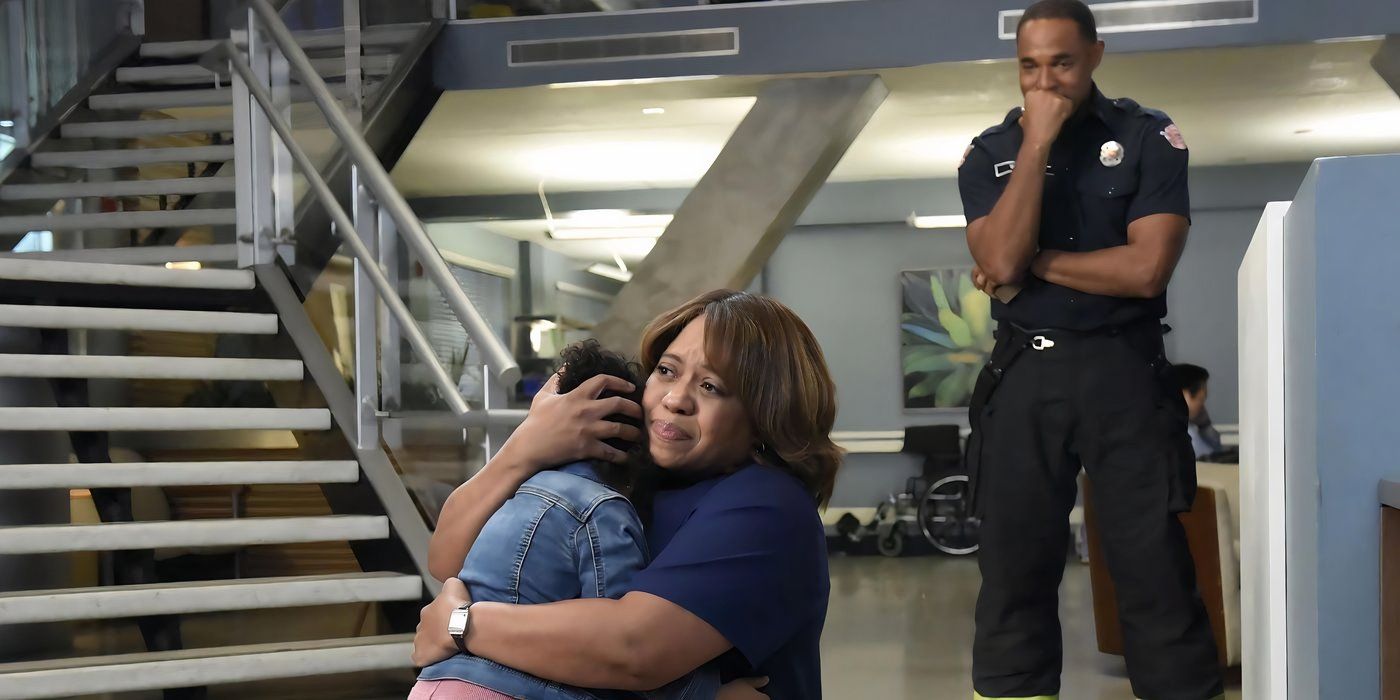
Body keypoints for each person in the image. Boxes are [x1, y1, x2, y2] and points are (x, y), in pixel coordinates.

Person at [955, 1, 1225, 698]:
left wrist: (1034, 264)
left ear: (1096, 56)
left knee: (1154, 572)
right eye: (1029, 66)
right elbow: (998, 259)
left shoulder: (1148, 137)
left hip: (1124, 372)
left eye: (1062, 63)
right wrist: (1036, 144)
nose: (1045, 82)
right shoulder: (989, 154)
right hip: (1024, 375)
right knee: (1012, 574)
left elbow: (1146, 270)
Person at [412, 290, 843, 700]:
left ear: (767, 415)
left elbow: (635, 649)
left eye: (711, 387)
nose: (675, 399)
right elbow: (449, 560)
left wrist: (461, 625)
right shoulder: (632, 475)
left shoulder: (767, 506)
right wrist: (523, 448)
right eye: (667, 371)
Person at [412, 340, 717, 699]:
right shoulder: (601, 509)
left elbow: (445, 566)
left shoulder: (515, 493)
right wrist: (711, 693)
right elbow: (619, 652)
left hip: (433, 684)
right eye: (666, 371)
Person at [1174, 363, 1226, 460]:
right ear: (1183, 395)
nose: (1203, 407)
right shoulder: (1185, 435)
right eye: (1201, 399)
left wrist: (1205, 425)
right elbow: (1213, 458)